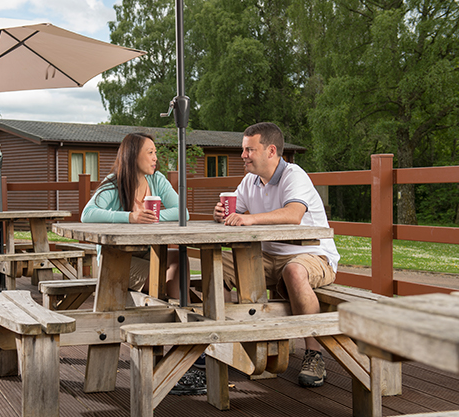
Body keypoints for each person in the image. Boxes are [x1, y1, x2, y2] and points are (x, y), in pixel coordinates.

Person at [213, 122, 339, 388]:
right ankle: (226, 343)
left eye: (249, 150)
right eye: (243, 150)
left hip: (312, 254)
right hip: (266, 258)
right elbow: (235, 208)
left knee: (293, 271)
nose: (243, 155)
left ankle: (314, 354)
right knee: (215, 268)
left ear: (271, 151)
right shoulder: (251, 180)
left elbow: (294, 214)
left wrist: (250, 220)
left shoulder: (295, 176)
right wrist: (221, 213)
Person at [81, 132, 189, 300]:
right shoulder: (114, 182)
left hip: (146, 252)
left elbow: (183, 212)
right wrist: (130, 217)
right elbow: (87, 214)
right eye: (150, 152)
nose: (155, 158)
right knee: (165, 281)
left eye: (155, 152)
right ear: (132, 156)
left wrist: (150, 217)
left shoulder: (156, 179)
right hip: (116, 257)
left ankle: (181, 309)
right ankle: (177, 311)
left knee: (178, 257)